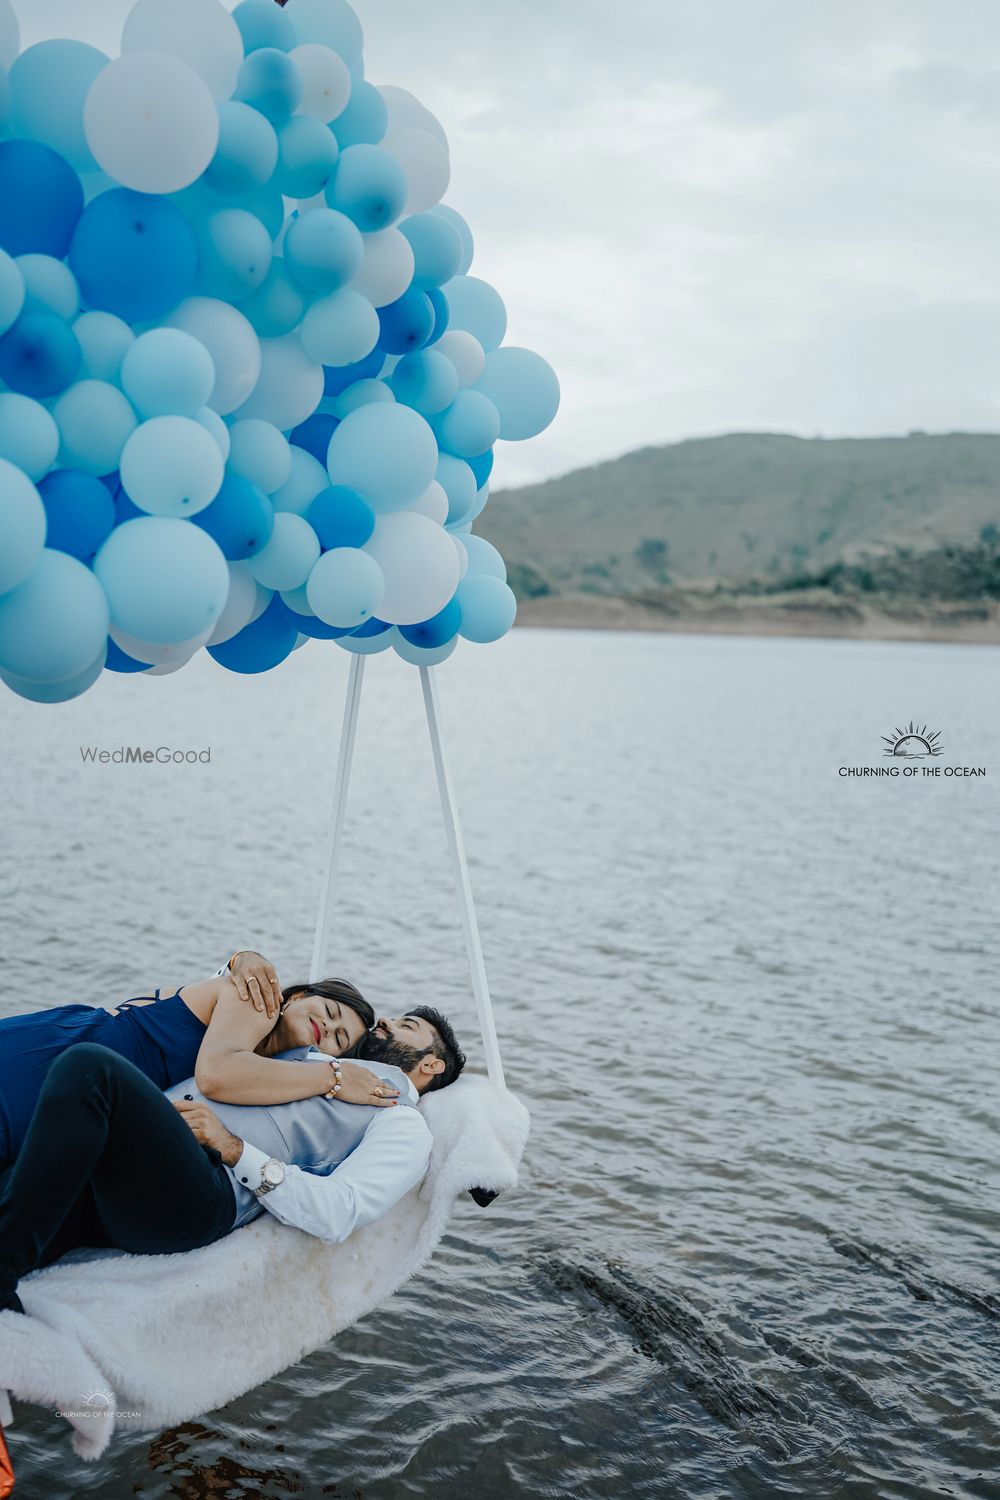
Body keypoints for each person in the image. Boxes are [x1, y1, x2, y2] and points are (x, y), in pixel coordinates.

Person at [0, 997, 466, 1316]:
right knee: (19, 1176)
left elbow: (341, 1211)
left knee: (90, 1068)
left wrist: (236, 1151)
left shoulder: (401, 1122)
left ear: (431, 1064)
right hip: (140, 1171)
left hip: (201, 1193)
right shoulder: (322, 1062)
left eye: (405, 1026)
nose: (383, 1023)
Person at [0, 951, 385, 1169]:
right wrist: (334, 1076)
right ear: (299, 997)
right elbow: (215, 1076)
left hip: (87, 1082)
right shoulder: (258, 1004)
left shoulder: (272, 1064)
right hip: (62, 1054)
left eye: (339, 1039)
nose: (327, 1027)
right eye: (330, 1011)